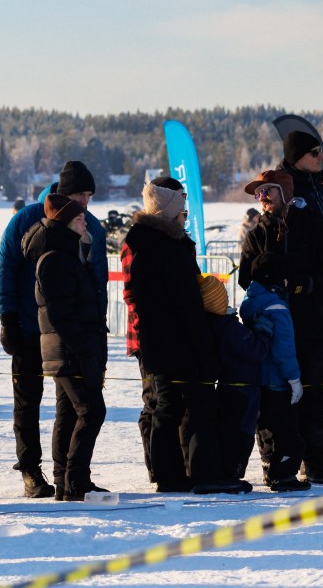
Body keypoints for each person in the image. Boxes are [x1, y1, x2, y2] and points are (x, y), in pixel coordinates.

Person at [125, 181, 249, 494]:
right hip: (182, 343)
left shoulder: (143, 248)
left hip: (157, 344)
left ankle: (169, 476)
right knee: (200, 405)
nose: (184, 217)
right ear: (168, 214)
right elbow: (187, 306)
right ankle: (206, 474)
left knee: (167, 409)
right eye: (181, 212)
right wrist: (203, 345)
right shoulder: (171, 251)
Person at [0, 160, 107, 498]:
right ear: (60, 192)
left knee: (69, 405)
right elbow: (4, 269)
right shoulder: (26, 219)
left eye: (88, 194)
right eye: (77, 194)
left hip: (72, 331)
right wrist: (8, 317)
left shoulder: (91, 227)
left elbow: (97, 279)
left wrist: (95, 329)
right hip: (30, 326)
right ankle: (30, 470)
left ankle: (66, 474)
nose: (84, 201)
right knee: (28, 403)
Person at [239, 170, 323, 484]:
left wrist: (302, 285)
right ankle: (274, 464)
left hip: (311, 325)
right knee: (272, 398)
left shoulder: (314, 228)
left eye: (268, 191)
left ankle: (316, 463)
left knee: (311, 395)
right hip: (271, 327)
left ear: (285, 192)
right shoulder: (256, 234)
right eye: (259, 194)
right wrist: (268, 274)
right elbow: (245, 278)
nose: (263, 199)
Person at [21, 194, 109, 501]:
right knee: (92, 411)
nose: (86, 222)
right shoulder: (56, 258)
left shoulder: (69, 254)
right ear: (66, 224)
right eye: (80, 218)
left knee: (70, 414)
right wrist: (86, 349)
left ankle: (67, 481)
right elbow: (61, 314)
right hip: (69, 351)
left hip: (72, 349)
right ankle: (74, 482)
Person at [121, 176, 187, 486]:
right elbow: (133, 293)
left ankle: (167, 464)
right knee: (155, 401)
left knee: (165, 400)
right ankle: (157, 467)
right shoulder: (138, 241)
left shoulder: (169, 237)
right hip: (146, 335)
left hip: (164, 333)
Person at [239, 254, 309, 492]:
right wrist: (294, 378)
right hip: (278, 380)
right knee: (288, 433)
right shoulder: (277, 306)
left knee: (267, 429)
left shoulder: (252, 300)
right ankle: (284, 476)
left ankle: (271, 470)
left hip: (258, 378)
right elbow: (284, 348)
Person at [199, 274, 269, 482]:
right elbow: (256, 350)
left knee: (228, 428)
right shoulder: (230, 328)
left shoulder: (212, 325)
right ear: (219, 301)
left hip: (227, 387)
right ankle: (234, 471)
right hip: (244, 387)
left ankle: (229, 468)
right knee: (241, 431)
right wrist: (263, 332)